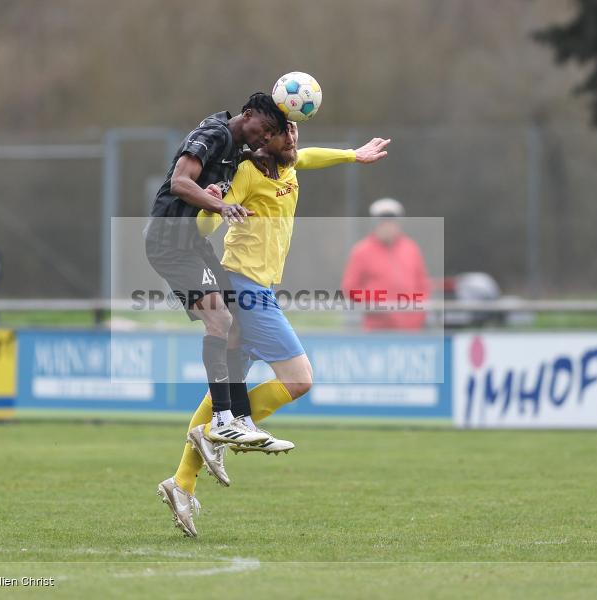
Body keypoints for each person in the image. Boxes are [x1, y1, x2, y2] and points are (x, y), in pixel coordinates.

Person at [157, 121, 391, 537]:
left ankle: (182, 482)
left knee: (224, 391)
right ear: (269, 139)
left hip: (257, 286)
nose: (296, 140)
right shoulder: (247, 172)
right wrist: (212, 202)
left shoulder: (287, 165)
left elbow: (312, 157)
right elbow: (207, 225)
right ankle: (222, 432)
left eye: (298, 132)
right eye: (289, 133)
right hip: (245, 287)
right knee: (299, 380)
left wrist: (352, 155)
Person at [145, 92, 288, 451]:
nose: (264, 138)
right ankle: (222, 421)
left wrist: (348, 155)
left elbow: (291, 159)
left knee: (237, 322)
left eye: (272, 134)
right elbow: (180, 182)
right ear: (248, 113)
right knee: (219, 320)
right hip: (169, 242)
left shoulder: (239, 147)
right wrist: (220, 205)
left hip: (192, 243)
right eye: (263, 129)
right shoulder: (212, 135)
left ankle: (239, 418)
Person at [341, 198, 431, 330]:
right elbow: (350, 288)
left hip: (411, 329)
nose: (388, 226)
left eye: (391, 222)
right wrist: (378, 305)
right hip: (377, 328)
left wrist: (416, 313)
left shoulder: (411, 248)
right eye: (383, 222)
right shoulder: (362, 251)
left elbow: (423, 285)